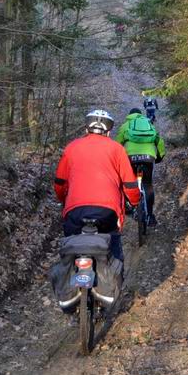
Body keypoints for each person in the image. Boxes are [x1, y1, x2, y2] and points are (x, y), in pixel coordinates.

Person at [54, 109, 140, 264]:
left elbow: (60, 182)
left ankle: (69, 269)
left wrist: (63, 200)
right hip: (108, 211)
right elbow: (130, 183)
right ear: (108, 132)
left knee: (69, 250)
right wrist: (134, 202)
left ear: (86, 129)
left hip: (75, 210)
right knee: (113, 250)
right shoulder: (117, 149)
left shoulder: (71, 147)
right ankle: (115, 273)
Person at [115, 108, 165, 227]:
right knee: (147, 184)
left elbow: (117, 144)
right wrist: (160, 156)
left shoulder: (125, 125)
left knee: (127, 182)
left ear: (129, 115)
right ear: (141, 115)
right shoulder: (149, 124)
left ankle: (129, 206)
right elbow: (159, 141)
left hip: (130, 158)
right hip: (148, 157)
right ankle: (150, 216)